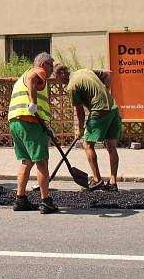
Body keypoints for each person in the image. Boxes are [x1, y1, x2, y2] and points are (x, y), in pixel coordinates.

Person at [53, 64, 122, 192]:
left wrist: (80, 129)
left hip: (99, 111)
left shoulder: (72, 86)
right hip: (113, 109)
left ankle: (97, 180)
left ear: (62, 72)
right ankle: (113, 182)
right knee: (111, 146)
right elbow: (109, 73)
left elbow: (79, 112)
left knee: (87, 144)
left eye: (57, 77)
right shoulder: (85, 71)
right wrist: (105, 90)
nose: (59, 81)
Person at [8, 52, 59, 214]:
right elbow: (32, 79)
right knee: (42, 163)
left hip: (16, 122)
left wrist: (46, 124)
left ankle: (20, 199)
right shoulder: (37, 71)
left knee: (26, 161)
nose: (52, 70)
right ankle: (46, 202)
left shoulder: (21, 77)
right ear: (43, 64)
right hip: (30, 123)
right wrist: (34, 103)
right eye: (51, 65)